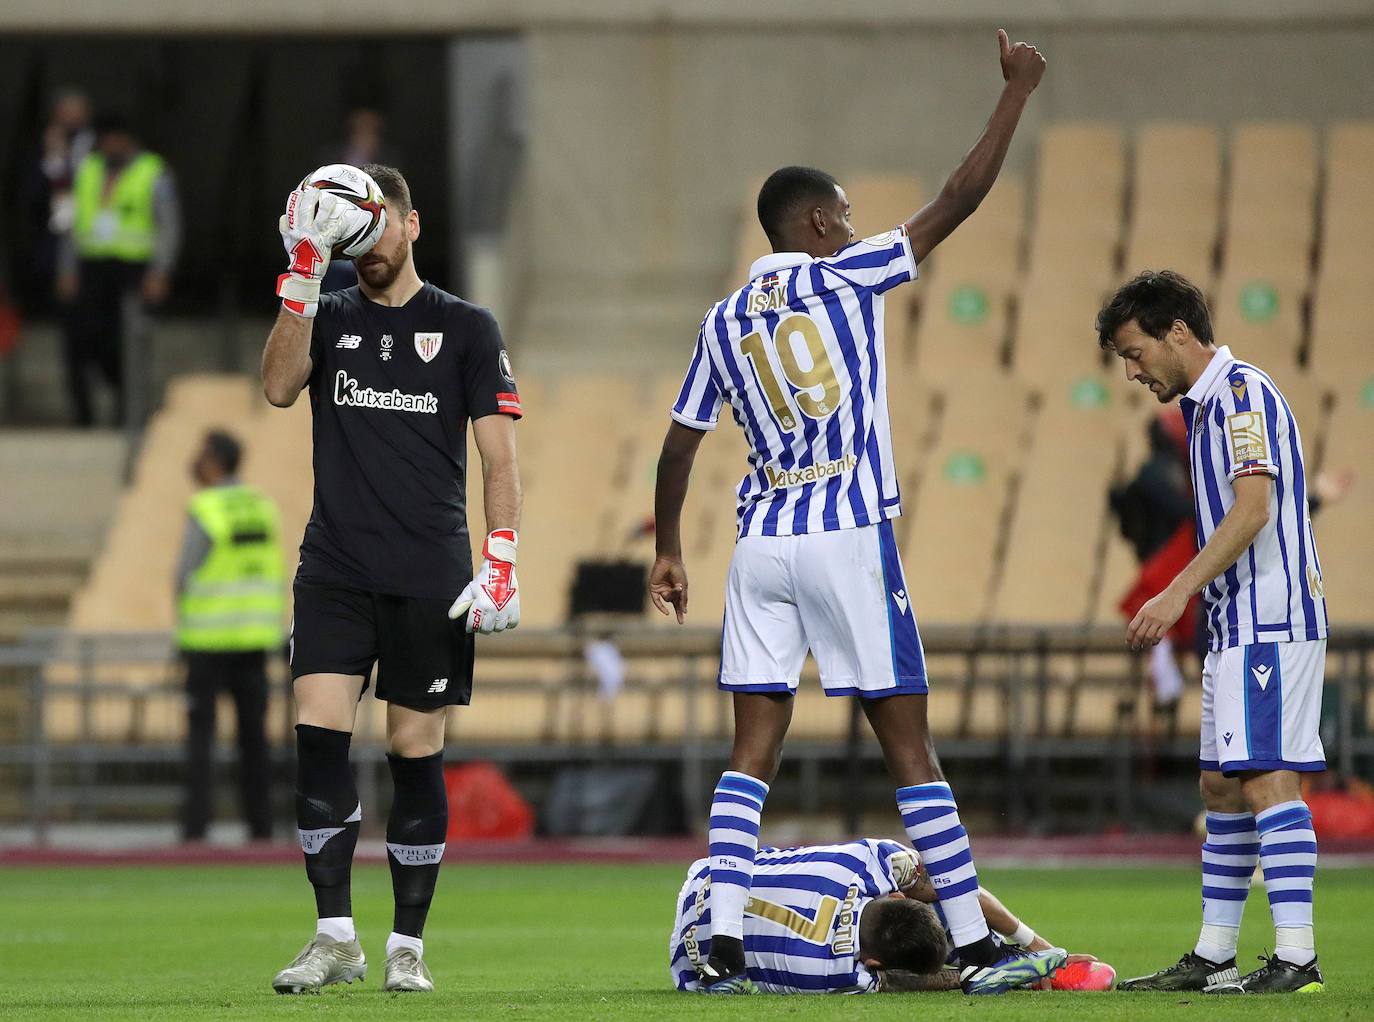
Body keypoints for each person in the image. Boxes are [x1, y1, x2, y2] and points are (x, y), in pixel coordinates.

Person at [649, 29, 1059, 996]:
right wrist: (1018, 94)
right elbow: (959, 198)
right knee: (907, 744)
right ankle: (978, 941)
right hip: (845, 535)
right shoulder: (849, 273)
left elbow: (678, 445)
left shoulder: (721, 319)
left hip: (760, 545)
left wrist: (668, 550)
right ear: (819, 223)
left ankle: (721, 940)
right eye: (843, 211)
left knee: (753, 751)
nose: (852, 221)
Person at [261, 163, 524, 994]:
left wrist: (503, 557)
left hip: (428, 572)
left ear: (411, 225)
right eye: (351, 236)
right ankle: (334, 935)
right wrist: (304, 276)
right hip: (334, 567)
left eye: (376, 227)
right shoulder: (327, 316)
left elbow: (499, 457)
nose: (366, 248)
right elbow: (275, 387)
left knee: (414, 751)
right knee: (318, 737)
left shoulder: (468, 327)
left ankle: (408, 943)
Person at [1098, 270, 1328, 995]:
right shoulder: (1204, 410)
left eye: (1136, 353)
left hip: (1270, 618)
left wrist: (1175, 592)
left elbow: (1253, 509)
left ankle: (1297, 958)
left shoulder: (1240, 395)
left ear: (1178, 334)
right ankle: (1216, 957)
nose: (1133, 372)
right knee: (1220, 788)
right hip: (1236, 625)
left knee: (1265, 779)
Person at [669, 839, 1114, 994]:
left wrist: (1036, 952)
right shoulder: (840, 975)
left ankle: (998, 951)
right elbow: (956, 894)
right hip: (687, 959)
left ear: (899, 895)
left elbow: (956, 886)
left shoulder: (864, 861)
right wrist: (1035, 952)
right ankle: (998, 952)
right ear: (874, 963)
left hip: (709, 874)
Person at [174, 429, 284, 844]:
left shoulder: (205, 507)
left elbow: (185, 573)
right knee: (254, 742)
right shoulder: (261, 507)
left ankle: (195, 833)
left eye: (202, 454)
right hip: (254, 641)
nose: (196, 462)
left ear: (216, 460)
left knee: (201, 741)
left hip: (206, 643)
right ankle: (261, 831)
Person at [57, 110, 180, 426]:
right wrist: (67, 267)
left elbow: (168, 225)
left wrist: (160, 270)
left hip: (132, 269)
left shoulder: (152, 171)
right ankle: (95, 411)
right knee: (89, 339)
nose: (110, 145)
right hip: (92, 266)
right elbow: (72, 222)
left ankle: (128, 411)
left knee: (127, 341)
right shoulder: (88, 169)